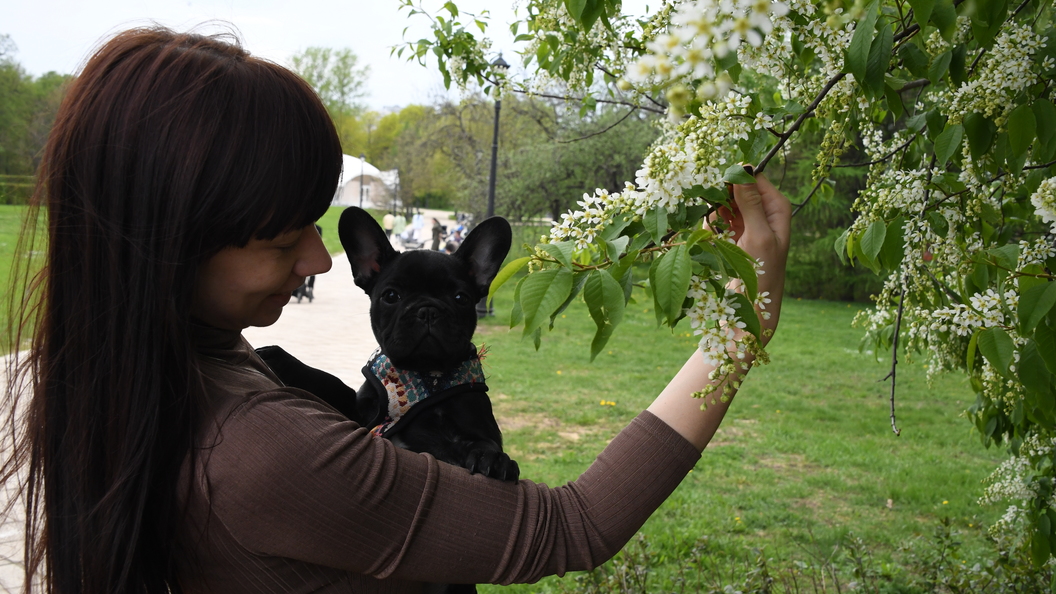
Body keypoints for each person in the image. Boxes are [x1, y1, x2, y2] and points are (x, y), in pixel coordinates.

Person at [1, 27, 791, 594]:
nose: (318, 262)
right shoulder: (260, 449)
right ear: (172, 243)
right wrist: (745, 321)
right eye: (284, 242)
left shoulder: (156, 371)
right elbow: (574, 526)